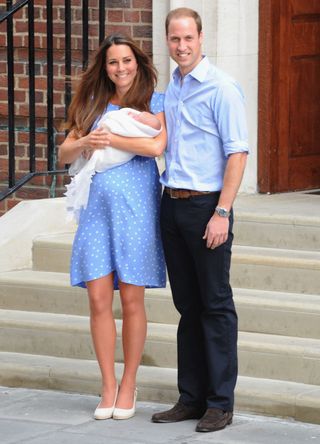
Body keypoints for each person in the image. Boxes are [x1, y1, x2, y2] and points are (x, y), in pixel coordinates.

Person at [58, 33, 167, 421]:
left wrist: (113, 138)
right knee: (99, 299)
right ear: (104, 68)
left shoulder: (155, 101)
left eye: (126, 60)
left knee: (132, 300)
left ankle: (128, 383)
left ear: (138, 63)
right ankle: (107, 384)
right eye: (113, 62)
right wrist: (87, 139)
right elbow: (65, 151)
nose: (120, 68)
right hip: (96, 213)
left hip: (136, 211)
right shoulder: (91, 104)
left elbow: (156, 147)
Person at [151, 8, 249, 433]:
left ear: (202, 38)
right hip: (171, 206)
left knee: (215, 305)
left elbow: (238, 153)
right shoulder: (170, 86)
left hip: (208, 207)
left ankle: (219, 403)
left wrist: (222, 212)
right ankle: (190, 397)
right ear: (168, 41)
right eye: (174, 39)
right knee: (187, 306)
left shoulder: (222, 88)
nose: (181, 46)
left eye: (188, 38)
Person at [65, 108, 162, 222]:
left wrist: (105, 137)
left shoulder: (156, 102)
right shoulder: (95, 102)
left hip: (136, 202)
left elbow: (155, 148)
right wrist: (83, 142)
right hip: (96, 203)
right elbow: (64, 156)